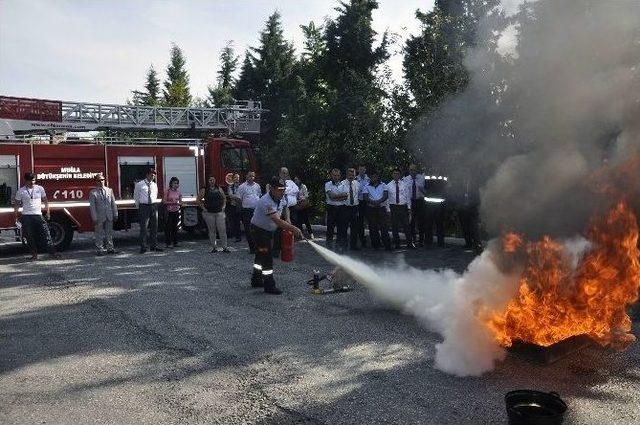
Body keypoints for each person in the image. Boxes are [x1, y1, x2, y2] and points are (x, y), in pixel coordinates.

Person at [250, 177, 304, 295]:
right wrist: (293, 228)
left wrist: (288, 220)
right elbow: (276, 220)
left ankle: (256, 279)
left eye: (284, 189)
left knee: (260, 255)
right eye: (280, 189)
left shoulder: (281, 197)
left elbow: (285, 208)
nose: (282, 191)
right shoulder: (266, 201)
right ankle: (269, 286)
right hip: (259, 231)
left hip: (268, 231)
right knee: (267, 257)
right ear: (272, 189)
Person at [13, 172, 57, 260]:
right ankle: (34, 255)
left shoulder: (40, 188)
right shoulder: (21, 191)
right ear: (26, 181)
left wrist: (48, 212)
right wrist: (16, 216)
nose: (32, 182)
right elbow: (17, 204)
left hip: (38, 215)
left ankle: (53, 254)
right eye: (30, 181)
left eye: (33, 180)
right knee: (29, 236)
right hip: (26, 216)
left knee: (46, 234)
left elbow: (45, 201)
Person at [88, 173, 119, 255]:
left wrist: (115, 213)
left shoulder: (109, 190)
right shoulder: (93, 192)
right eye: (99, 180)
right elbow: (92, 206)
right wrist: (94, 217)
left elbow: (113, 203)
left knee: (109, 233)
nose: (101, 181)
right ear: (96, 181)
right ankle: (100, 249)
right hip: (99, 216)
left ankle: (110, 248)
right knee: (99, 233)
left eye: (102, 180)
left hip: (109, 215)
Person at [134, 168, 162, 253]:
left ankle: (154, 246)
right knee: (144, 228)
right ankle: (143, 247)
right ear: (147, 175)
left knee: (154, 227)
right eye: (151, 174)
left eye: (154, 175)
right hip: (144, 206)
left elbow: (155, 195)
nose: (153, 176)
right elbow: (136, 196)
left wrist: (153, 204)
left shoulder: (154, 185)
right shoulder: (139, 184)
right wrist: (139, 206)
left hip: (153, 206)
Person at [199, 175, 229, 253]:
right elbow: (198, 200)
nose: (212, 181)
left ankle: (225, 247)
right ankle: (214, 247)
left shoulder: (219, 189)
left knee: (222, 230)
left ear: (215, 181)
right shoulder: (204, 190)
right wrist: (203, 208)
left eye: (213, 180)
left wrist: (224, 207)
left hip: (219, 212)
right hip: (209, 213)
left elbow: (224, 198)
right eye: (210, 180)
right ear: (208, 181)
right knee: (212, 230)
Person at [387, 168, 415, 249]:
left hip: (403, 207)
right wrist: (388, 209)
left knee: (406, 226)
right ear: (392, 175)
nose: (395, 175)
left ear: (399, 175)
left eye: (397, 173)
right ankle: (397, 244)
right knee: (394, 227)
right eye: (394, 173)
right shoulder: (388, 185)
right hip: (393, 207)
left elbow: (408, 197)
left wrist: (409, 208)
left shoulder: (404, 184)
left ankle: (410, 243)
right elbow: (387, 199)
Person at [363, 171, 391, 251]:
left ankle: (387, 245)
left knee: (384, 227)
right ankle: (376, 245)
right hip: (371, 209)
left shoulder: (383, 185)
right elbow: (365, 197)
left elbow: (385, 196)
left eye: (375, 176)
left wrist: (378, 202)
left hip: (381, 208)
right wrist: (374, 202)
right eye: (372, 177)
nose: (373, 178)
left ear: (378, 177)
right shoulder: (366, 186)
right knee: (373, 227)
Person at [237, 171, 262, 253]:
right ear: (246, 176)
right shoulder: (242, 187)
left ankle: (258, 246)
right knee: (248, 230)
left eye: (253, 176)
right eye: (250, 176)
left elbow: (259, 195)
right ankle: (252, 248)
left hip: (256, 210)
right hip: (247, 210)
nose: (252, 177)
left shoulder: (257, 186)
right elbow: (239, 199)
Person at [403, 164, 426, 246]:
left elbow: (427, 192)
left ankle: (421, 240)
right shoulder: (405, 179)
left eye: (414, 170)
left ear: (417, 170)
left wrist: (422, 190)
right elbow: (404, 193)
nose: (413, 171)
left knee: (421, 222)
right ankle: (412, 240)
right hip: (410, 202)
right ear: (409, 170)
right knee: (411, 222)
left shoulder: (422, 178)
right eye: (411, 170)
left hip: (420, 201)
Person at [325, 168, 347, 245]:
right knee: (330, 227)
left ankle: (339, 244)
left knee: (341, 227)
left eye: (337, 175)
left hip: (341, 208)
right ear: (331, 175)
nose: (336, 177)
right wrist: (340, 196)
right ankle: (329, 243)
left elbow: (346, 197)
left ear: (340, 175)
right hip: (331, 207)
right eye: (334, 175)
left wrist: (336, 197)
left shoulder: (343, 184)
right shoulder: (328, 184)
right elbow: (331, 196)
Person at [339, 168, 360, 250]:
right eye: (350, 175)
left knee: (355, 227)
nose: (351, 176)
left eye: (353, 175)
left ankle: (353, 245)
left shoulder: (357, 184)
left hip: (355, 207)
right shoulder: (342, 184)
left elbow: (358, 195)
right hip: (345, 207)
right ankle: (344, 245)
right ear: (347, 175)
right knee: (344, 227)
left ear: (355, 175)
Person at [163, 176, 182, 248]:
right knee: (168, 227)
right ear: (171, 183)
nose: (176, 185)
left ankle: (175, 242)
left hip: (176, 211)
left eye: (177, 183)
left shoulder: (178, 192)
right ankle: (168, 243)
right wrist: (172, 202)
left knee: (175, 227)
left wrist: (180, 203)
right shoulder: (167, 191)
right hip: (169, 211)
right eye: (175, 183)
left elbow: (180, 201)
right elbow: (164, 201)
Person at [356, 164, 370, 247]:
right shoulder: (355, 179)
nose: (362, 171)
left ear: (365, 170)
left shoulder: (369, 179)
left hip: (368, 202)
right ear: (358, 170)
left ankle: (374, 239)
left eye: (363, 170)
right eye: (360, 170)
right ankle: (362, 240)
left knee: (371, 220)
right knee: (360, 221)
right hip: (359, 202)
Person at [226, 173, 242, 242]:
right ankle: (237, 236)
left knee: (242, 221)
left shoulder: (242, 186)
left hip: (241, 206)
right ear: (233, 179)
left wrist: (237, 197)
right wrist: (238, 197)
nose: (237, 179)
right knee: (235, 222)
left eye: (238, 177)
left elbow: (244, 194)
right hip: (234, 206)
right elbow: (230, 195)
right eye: (235, 177)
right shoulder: (230, 186)